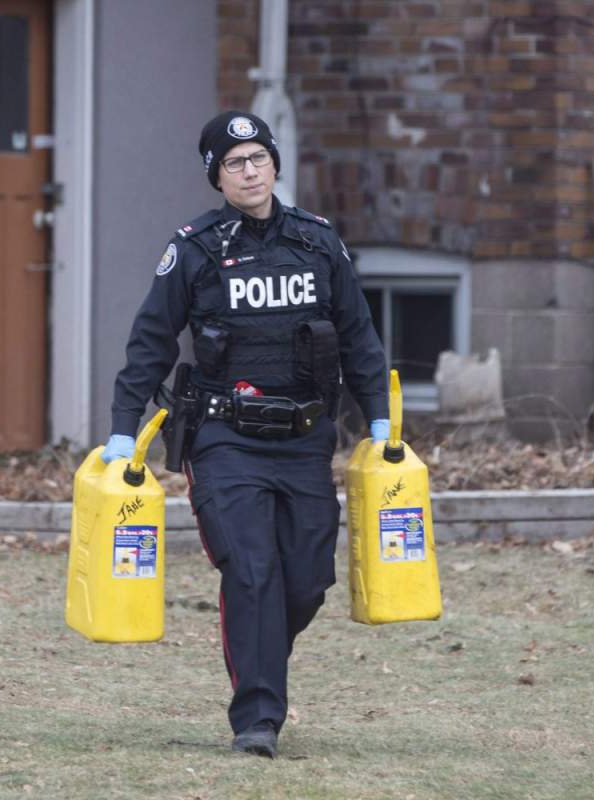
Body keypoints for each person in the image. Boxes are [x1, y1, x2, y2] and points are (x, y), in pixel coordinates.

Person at [101, 110, 390, 758]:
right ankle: (257, 720)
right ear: (216, 176)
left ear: (275, 164)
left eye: (259, 157)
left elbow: (359, 336)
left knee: (308, 579)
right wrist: (124, 433)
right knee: (252, 569)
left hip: (305, 438)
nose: (250, 170)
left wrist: (379, 422)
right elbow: (149, 343)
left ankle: (259, 655)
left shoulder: (319, 243)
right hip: (224, 439)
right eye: (235, 163)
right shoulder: (196, 249)